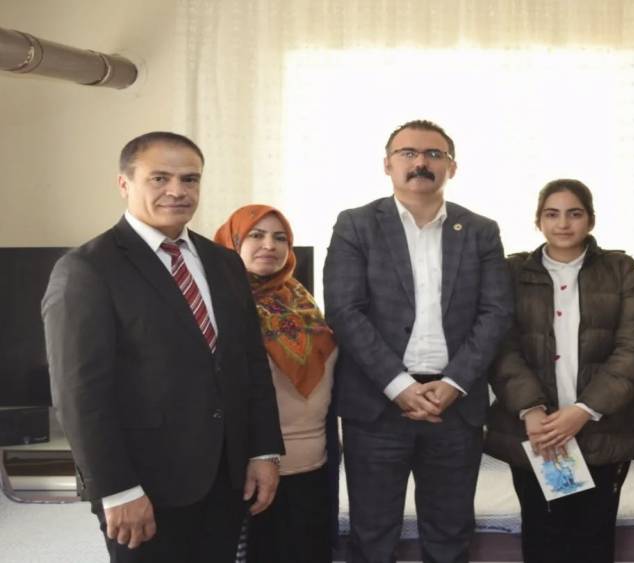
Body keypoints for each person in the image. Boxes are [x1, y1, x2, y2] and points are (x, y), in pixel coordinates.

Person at [41, 132, 283, 563]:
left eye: (190, 179)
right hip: (143, 485)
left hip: (226, 477)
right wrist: (117, 489)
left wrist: (263, 451)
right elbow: (79, 395)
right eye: (159, 178)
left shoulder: (224, 262)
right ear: (124, 184)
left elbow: (250, 364)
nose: (177, 190)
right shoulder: (87, 269)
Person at [323, 119, 512, 562]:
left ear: (452, 167)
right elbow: (345, 311)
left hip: (455, 406)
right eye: (408, 153)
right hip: (377, 406)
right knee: (372, 535)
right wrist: (400, 386)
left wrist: (454, 383)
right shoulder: (356, 225)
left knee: (450, 534)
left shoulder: (480, 230)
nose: (420, 162)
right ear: (387, 164)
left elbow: (496, 312)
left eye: (433, 154)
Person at [484, 179, 634, 563]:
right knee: (544, 535)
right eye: (552, 214)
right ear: (538, 221)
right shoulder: (511, 273)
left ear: (591, 220)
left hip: (603, 429)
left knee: (592, 538)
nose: (563, 223)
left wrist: (583, 411)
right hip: (537, 432)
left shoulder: (622, 270)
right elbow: (500, 346)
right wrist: (531, 410)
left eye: (574, 214)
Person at [214, 205, 338, 563]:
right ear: (231, 242)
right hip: (249, 468)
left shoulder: (302, 301)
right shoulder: (219, 306)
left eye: (280, 238)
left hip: (313, 464)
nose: (270, 245)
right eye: (256, 235)